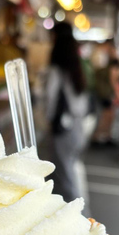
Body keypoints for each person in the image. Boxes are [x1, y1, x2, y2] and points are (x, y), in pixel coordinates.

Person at [46, 22, 89, 204]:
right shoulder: (77, 66)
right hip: (79, 125)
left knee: (66, 177)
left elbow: (49, 98)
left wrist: (48, 120)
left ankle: (80, 220)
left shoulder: (57, 70)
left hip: (64, 127)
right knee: (67, 171)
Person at [93, 59, 119, 146]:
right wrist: (117, 94)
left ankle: (100, 137)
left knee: (104, 116)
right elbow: (112, 82)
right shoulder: (112, 71)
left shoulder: (102, 71)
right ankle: (100, 137)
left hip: (101, 94)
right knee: (107, 117)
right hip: (105, 95)